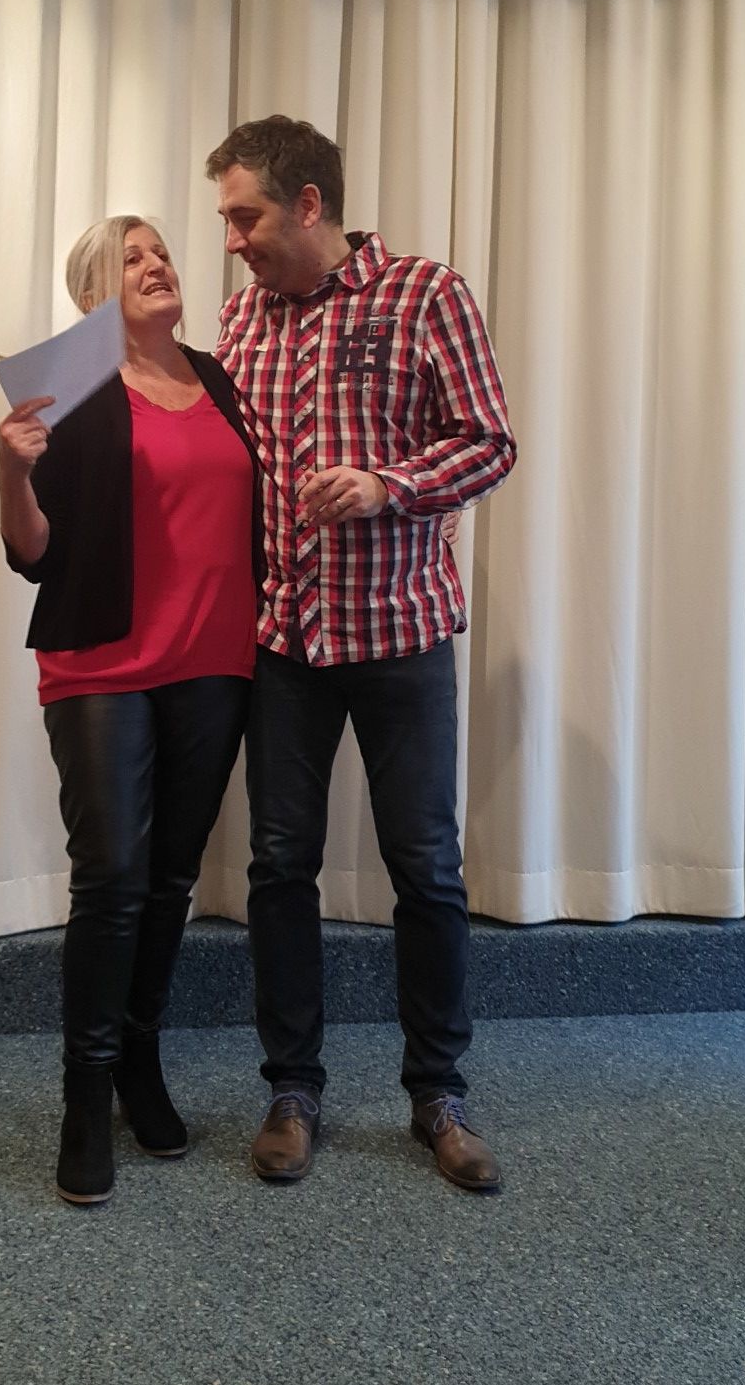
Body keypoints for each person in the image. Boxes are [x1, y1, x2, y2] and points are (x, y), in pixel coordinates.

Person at [206, 116, 516, 1191]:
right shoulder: (240, 320)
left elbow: (489, 441)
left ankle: (439, 1095)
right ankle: (292, 1089)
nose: (231, 240)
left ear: (307, 204)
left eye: (244, 216)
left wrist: (391, 485)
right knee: (278, 867)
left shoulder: (427, 294)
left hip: (399, 634)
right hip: (284, 643)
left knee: (424, 868)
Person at [0, 217, 264, 1207]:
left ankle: (140, 1060)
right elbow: (33, 553)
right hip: (102, 664)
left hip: (214, 663)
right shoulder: (69, 385)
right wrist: (10, 470)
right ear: (92, 296)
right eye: (131, 258)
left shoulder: (221, 380)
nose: (157, 266)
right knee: (112, 876)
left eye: (161, 253)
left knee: (169, 879)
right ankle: (86, 1093)